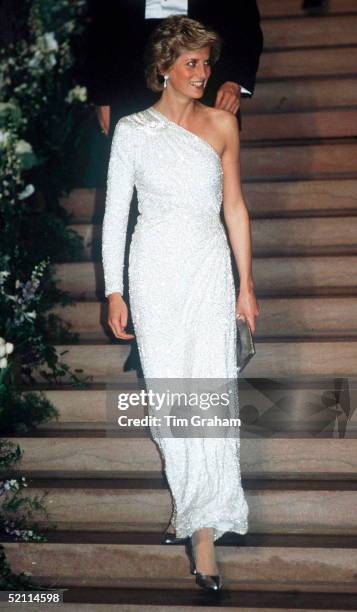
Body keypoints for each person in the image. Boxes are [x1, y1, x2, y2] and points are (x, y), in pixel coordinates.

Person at [102, 15, 260, 591]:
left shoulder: (222, 124)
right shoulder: (131, 131)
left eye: (206, 63)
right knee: (171, 400)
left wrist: (246, 285)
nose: (203, 73)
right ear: (163, 68)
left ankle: (202, 531)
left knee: (211, 388)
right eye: (191, 63)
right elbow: (117, 214)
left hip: (208, 267)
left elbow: (235, 208)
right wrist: (112, 288)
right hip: (153, 271)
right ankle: (194, 509)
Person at [83, 0, 264, 138]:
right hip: (130, 80)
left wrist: (233, 81)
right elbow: (103, 22)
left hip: (207, 80)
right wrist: (103, 93)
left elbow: (243, 18)